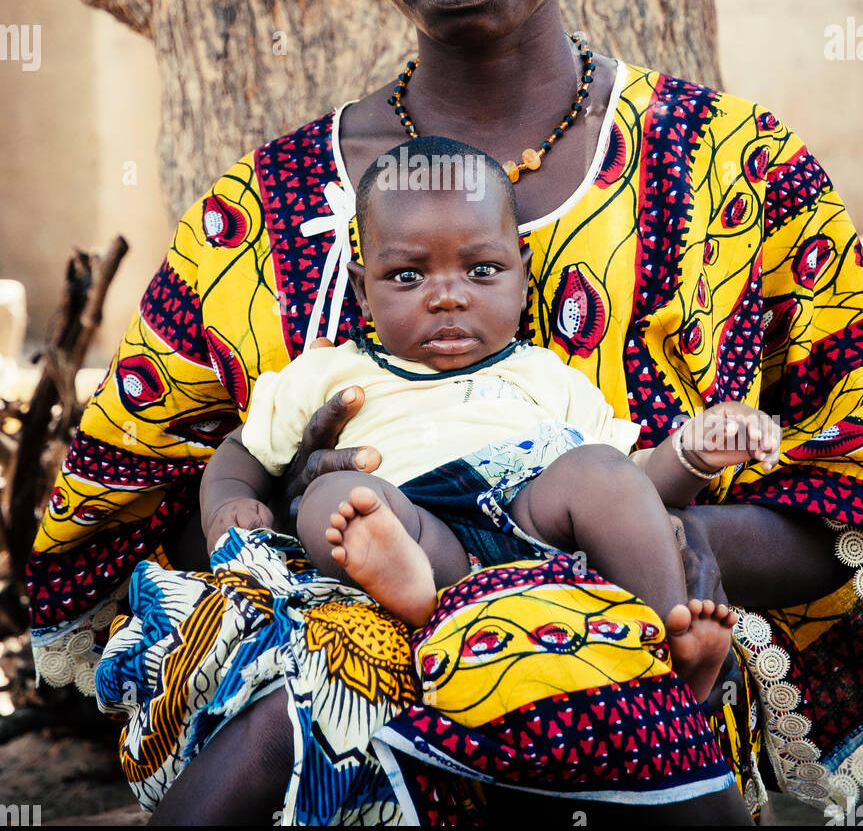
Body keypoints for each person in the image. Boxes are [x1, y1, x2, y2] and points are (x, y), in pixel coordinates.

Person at [30, 0, 863, 827]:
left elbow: (837, 487)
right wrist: (299, 507)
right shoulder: (264, 212)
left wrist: (642, 544)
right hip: (347, 710)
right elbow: (130, 495)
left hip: (639, 702)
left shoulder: (744, 179)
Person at [203, 134, 781, 708]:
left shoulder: (546, 376)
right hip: (416, 523)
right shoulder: (328, 374)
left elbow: (637, 482)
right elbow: (245, 450)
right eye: (408, 276)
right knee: (337, 497)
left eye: (482, 270)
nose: (447, 298)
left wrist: (690, 456)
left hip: (531, 521)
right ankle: (411, 586)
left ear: (521, 275)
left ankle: (668, 634)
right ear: (361, 289)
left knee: (601, 469)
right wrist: (228, 500)